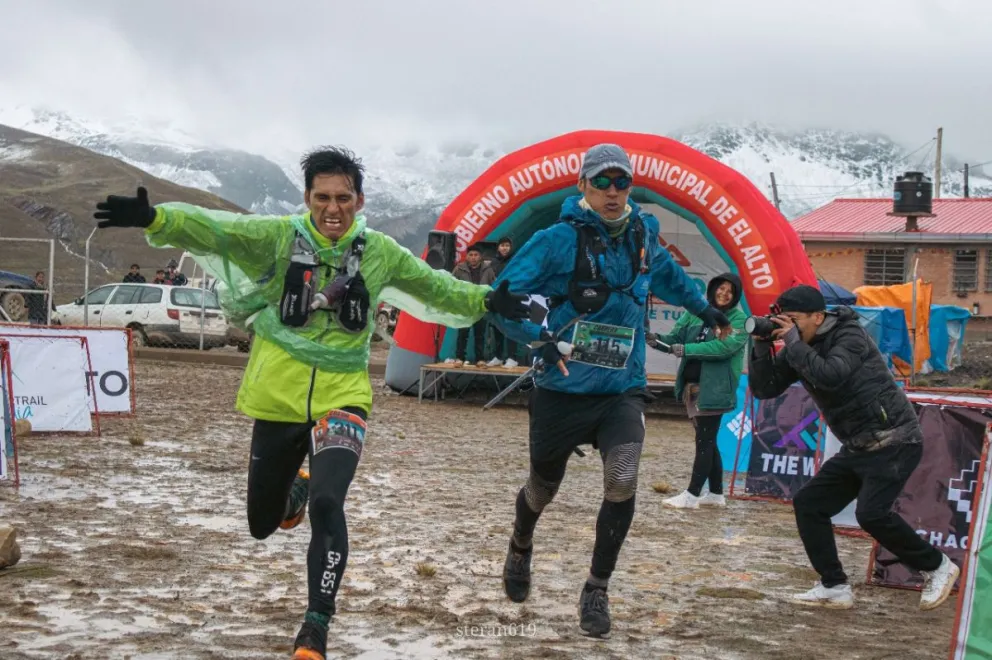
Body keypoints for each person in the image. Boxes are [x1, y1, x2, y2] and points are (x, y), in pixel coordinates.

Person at [92, 147, 530, 660]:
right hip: (277, 395)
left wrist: (485, 299)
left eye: (343, 197)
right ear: (306, 198)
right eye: (322, 197)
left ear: (359, 200)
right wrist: (157, 218)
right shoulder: (279, 238)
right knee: (262, 523)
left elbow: (433, 286)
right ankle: (293, 493)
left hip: (344, 396)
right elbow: (219, 231)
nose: (333, 208)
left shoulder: (380, 252)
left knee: (329, 503)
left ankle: (315, 626)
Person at [488, 143, 731, 638]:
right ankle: (520, 543)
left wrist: (707, 311)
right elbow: (503, 298)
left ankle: (596, 589)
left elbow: (670, 277)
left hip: (622, 387)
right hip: (563, 386)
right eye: (601, 181)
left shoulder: (643, 233)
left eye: (621, 181)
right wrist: (539, 339)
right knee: (542, 489)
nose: (612, 191)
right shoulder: (556, 240)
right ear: (583, 185)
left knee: (623, 479)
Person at [748, 284, 959, 610]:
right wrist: (761, 346)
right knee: (809, 503)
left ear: (818, 317)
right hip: (858, 446)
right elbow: (766, 388)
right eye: (782, 319)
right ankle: (834, 585)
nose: (788, 326)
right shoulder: (799, 345)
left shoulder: (850, 336)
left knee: (871, 514)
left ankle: (938, 566)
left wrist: (791, 342)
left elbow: (831, 374)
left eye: (794, 319)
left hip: (894, 438)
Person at [648, 273, 747, 509]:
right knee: (708, 441)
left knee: (704, 441)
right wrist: (654, 339)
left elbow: (722, 348)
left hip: (715, 389)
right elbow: (674, 339)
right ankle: (716, 494)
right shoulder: (694, 313)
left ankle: (692, 495)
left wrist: (684, 349)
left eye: (730, 291)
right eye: (721, 288)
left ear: (736, 296)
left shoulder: (739, 320)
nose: (724, 294)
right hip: (692, 387)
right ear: (712, 289)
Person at [447, 243, 495, 367]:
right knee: (462, 334)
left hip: (480, 306)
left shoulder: (488, 270)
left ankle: (480, 359)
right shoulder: (459, 269)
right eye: (471, 255)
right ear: (467, 256)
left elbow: (493, 286)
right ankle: (459, 358)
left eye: (476, 255)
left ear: (480, 256)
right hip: (465, 306)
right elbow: (451, 285)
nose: (473, 257)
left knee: (480, 334)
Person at [487, 237, 520, 367]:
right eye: (502, 245)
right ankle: (498, 356)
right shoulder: (493, 263)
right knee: (497, 327)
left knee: (511, 326)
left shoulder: (516, 260)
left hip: (511, 296)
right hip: (496, 298)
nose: (505, 248)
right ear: (498, 248)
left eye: (507, 245)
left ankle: (512, 357)